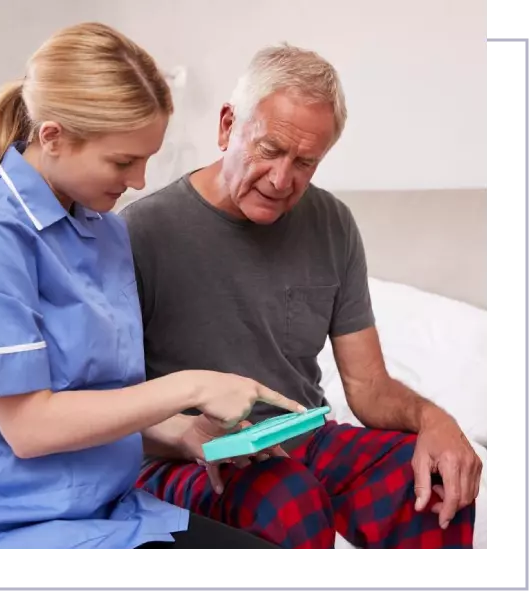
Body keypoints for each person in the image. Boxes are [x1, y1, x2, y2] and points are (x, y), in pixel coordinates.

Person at [0, 23, 308, 552]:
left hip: (108, 509)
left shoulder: (104, 229)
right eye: (123, 161)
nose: (140, 182)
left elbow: (94, 399)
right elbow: (29, 428)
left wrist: (181, 433)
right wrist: (195, 387)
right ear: (53, 137)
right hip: (3, 525)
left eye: (147, 159)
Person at [120, 43, 483, 551]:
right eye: (269, 149)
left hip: (303, 440)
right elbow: (108, 402)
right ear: (227, 126)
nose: (281, 179)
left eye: (305, 162)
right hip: (187, 457)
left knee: (429, 478)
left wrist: (436, 421)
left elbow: (369, 387)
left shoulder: (333, 225)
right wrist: (184, 432)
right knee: (288, 498)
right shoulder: (139, 233)